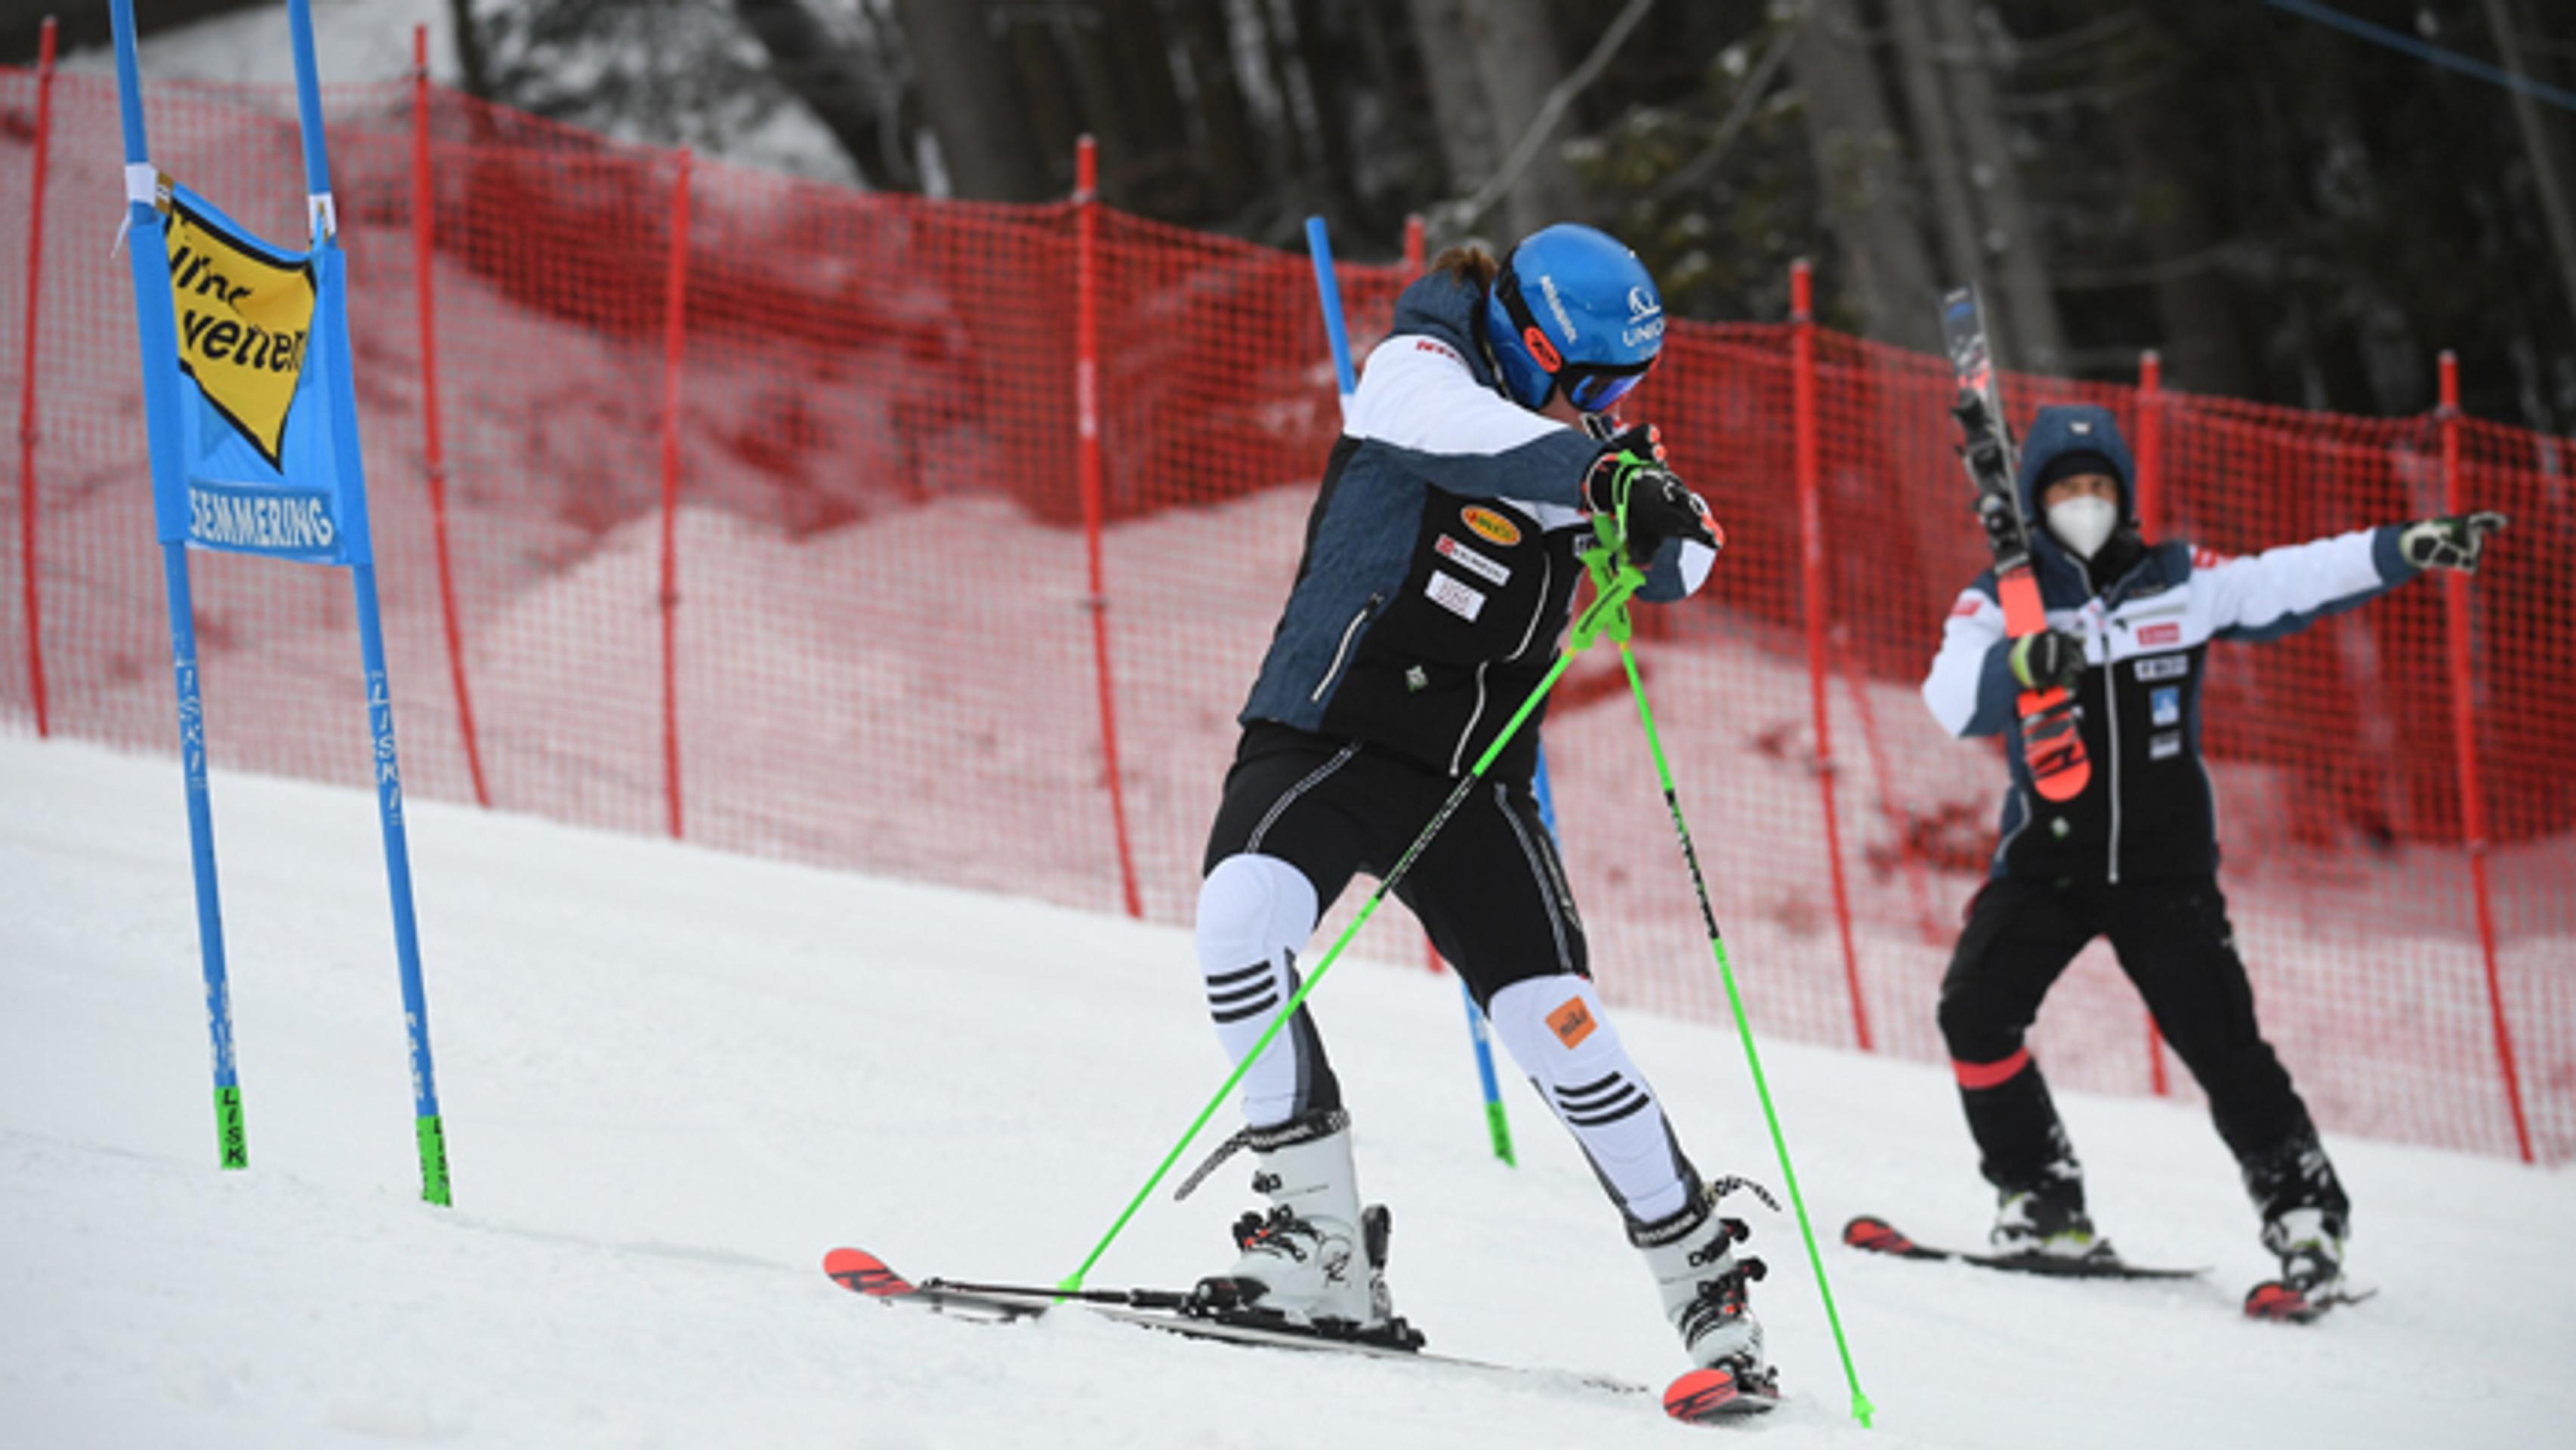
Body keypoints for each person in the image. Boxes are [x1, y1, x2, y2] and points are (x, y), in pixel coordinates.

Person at [1183, 223, 1769, 1388]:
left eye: (1622, 386)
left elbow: (1683, 562)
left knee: (1557, 1025)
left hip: (1469, 784)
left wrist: (1654, 512)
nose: (1598, 402)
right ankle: (1317, 1248)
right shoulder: (1415, 370)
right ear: (1523, 330)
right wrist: (1600, 473)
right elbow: (1459, 438)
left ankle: (1704, 1289)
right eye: (1587, 376)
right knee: (1241, 922)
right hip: (1330, 735)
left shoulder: (1565, 441)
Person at [1920, 403, 2507, 1304]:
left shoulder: (2178, 579)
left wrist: (2403, 548)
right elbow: (1953, 696)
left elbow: (2291, 577)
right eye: (2067, 489)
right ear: (2036, 501)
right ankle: (2041, 1198)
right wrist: (2022, 666)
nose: (2086, 502)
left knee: (2222, 1043)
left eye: (2099, 486)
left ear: (2125, 494)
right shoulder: (2002, 595)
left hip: (2164, 868)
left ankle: (2306, 1217)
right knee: (1975, 1011)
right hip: (2049, 860)